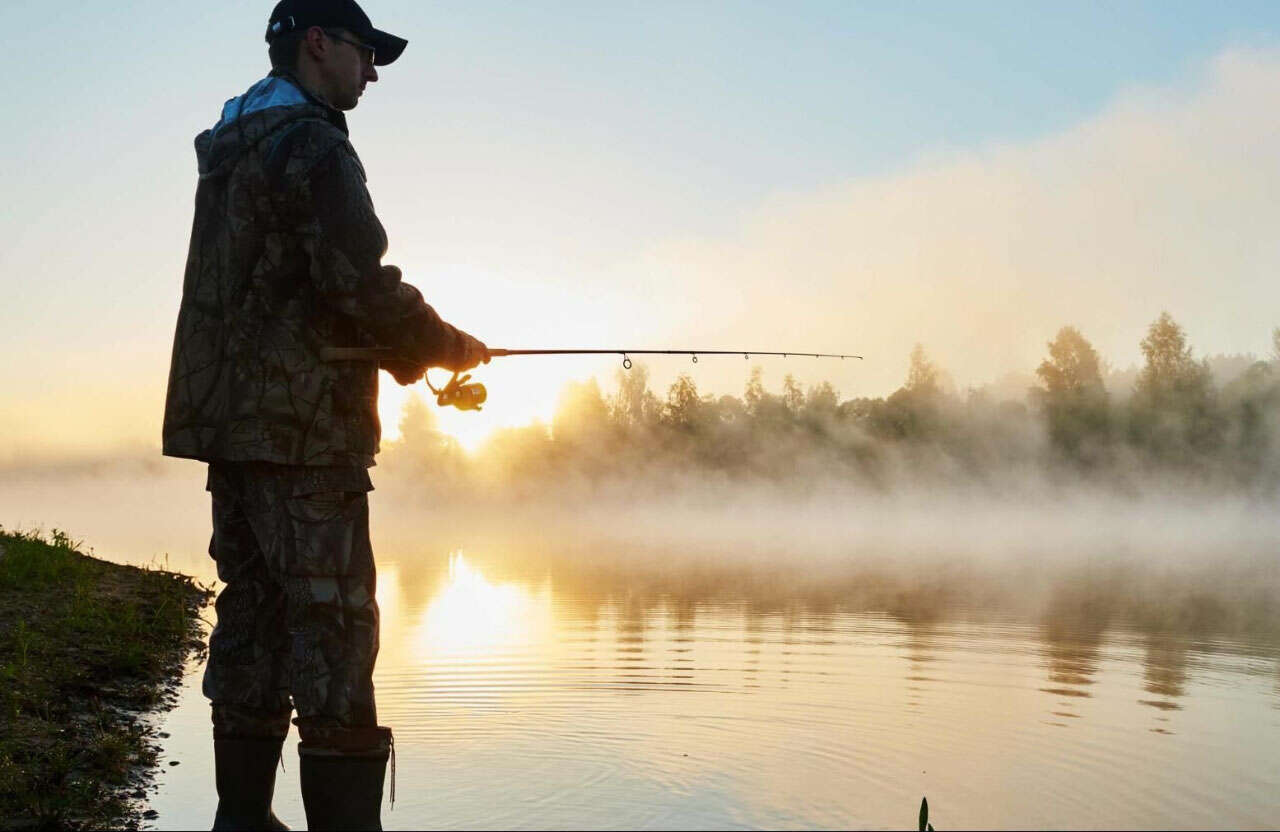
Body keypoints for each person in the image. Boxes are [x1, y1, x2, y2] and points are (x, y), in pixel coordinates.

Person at [161, 1, 488, 828]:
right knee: (335, 628)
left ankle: (242, 818)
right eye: (364, 52)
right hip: (306, 431)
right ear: (317, 44)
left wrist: (406, 353)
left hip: (231, 426)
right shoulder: (311, 143)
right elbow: (356, 280)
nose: (371, 71)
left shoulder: (233, 148)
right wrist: (444, 344)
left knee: (255, 613)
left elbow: (284, 290)